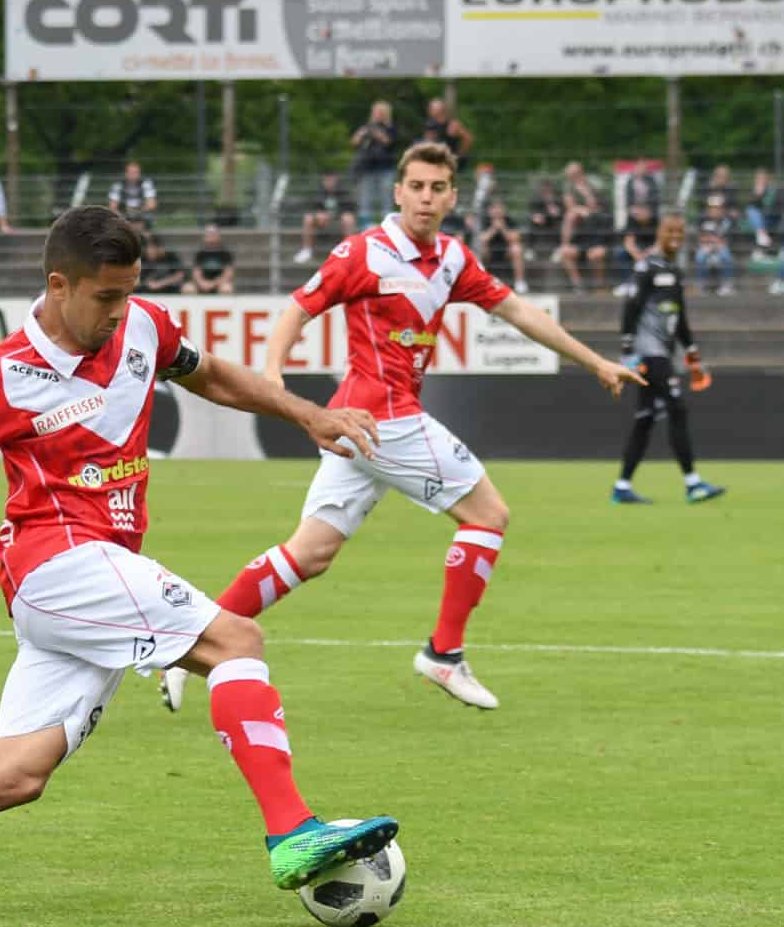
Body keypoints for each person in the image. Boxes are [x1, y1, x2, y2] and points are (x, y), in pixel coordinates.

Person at [0, 206, 397, 926]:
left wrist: (306, 414)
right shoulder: (1, 375)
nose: (118, 310)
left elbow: (209, 373)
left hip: (89, 576)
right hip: (56, 563)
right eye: (104, 296)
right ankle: (291, 832)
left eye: (127, 292)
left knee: (14, 775)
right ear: (58, 285)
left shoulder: (142, 326)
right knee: (236, 641)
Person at [159, 143, 644, 715]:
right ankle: (444, 653)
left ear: (452, 195)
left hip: (358, 425)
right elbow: (298, 308)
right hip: (383, 421)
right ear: (398, 191)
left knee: (309, 554)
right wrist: (273, 381)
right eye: (416, 186)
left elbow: (519, 311)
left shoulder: (453, 259)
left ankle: (186, 644)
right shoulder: (364, 252)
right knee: (488, 515)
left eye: (438, 187)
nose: (426, 197)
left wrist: (595, 361)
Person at [611, 214, 726, 506]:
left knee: (646, 417)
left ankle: (622, 487)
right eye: (670, 231)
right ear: (660, 234)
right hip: (649, 353)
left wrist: (692, 352)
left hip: (664, 352)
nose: (676, 235)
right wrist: (627, 352)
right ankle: (693, 484)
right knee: (676, 407)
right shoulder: (647, 267)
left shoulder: (674, 270)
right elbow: (630, 308)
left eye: (680, 231)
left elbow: (680, 317)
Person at [558, 163, 611, 292]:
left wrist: (587, 196)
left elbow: (598, 207)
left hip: (596, 233)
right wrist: (581, 210)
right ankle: (578, 285)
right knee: (566, 252)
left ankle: (599, 286)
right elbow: (570, 207)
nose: (574, 177)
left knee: (596, 254)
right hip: (578, 236)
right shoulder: (568, 189)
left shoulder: (593, 185)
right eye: (571, 175)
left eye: (576, 173)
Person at [349, 101, 397, 226]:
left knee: (386, 200)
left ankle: (388, 227)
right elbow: (354, 142)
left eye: (380, 112)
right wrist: (362, 134)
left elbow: (388, 142)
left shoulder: (390, 128)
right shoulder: (366, 127)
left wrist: (376, 133)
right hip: (367, 168)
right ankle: (366, 227)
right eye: (376, 112)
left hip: (385, 168)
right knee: (365, 201)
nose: (377, 115)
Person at [293, 172, 357, 265]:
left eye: (331, 180)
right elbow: (310, 207)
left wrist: (336, 215)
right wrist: (318, 214)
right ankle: (307, 250)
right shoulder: (318, 192)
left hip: (339, 220)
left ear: (336, 180)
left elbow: (351, 208)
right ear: (323, 181)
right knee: (308, 218)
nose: (329, 182)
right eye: (327, 180)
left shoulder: (343, 192)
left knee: (349, 218)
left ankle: (349, 251)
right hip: (321, 221)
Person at [475, 198, 528, 293]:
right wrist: (493, 229)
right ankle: (479, 283)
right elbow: (481, 239)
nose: (497, 211)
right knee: (480, 248)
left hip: (506, 253)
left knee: (517, 248)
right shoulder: (485, 221)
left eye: (499, 208)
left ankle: (519, 282)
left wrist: (503, 228)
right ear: (490, 210)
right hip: (489, 252)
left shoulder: (510, 221)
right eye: (494, 208)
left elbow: (515, 238)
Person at [693, 194, 736, 295]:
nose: (715, 210)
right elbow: (700, 237)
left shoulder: (727, 221)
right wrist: (710, 241)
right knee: (700, 257)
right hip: (705, 245)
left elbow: (728, 239)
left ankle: (727, 285)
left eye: (718, 208)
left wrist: (715, 242)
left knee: (726, 257)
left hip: (721, 246)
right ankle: (701, 286)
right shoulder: (702, 219)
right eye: (713, 208)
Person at [421, 97, 473, 173]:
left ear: (440, 110)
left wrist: (460, 155)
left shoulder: (453, 125)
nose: (429, 110)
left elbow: (468, 138)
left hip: (448, 163)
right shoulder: (430, 125)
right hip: (434, 163)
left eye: (431, 108)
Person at [525, 179, 566, 267]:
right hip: (540, 223)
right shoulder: (536, 199)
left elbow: (561, 213)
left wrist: (555, 211)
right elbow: (532, 212)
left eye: (548, 189)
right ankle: (529, 250)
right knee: (532, 225)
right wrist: (536, 216)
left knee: (559, 227)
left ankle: (558, 251)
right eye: (544, 189)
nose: (546, 192)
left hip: (553, 223)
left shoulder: (558, 199)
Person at [107, 160, 157, 226]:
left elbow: (152, 204)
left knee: (147, 217)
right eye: (130, 172)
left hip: (141, 213)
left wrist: (136, 212)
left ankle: (144, 234)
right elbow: (112, 206)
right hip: (123, 214)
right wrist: (124, 215)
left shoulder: (146, 184)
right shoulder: (118, 185)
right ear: (126, 173)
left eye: (135, 172)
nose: (133, 175)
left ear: (139, 174)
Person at [189, 223, 235, 294]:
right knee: (188, 288)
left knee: (227, 288)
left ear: (218, 236)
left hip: (219, 284)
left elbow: (228, 273)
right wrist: (202, 283)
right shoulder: (200, 253)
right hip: (202, 284)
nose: (211, 236)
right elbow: (196, 273)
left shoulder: (225, 253)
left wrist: (213, 284)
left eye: (213, 234)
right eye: (208, 234)